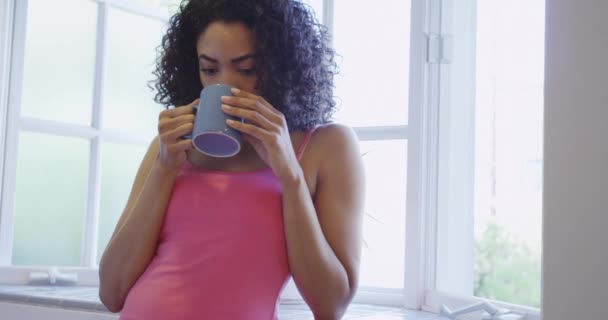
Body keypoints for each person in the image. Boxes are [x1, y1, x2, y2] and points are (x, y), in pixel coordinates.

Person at [98, 0, 365, 319]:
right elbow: (111, 292)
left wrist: (288, 173)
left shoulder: (326, 146)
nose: (226, 85)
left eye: (247, 68)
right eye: (209, 69)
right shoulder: (169, 149)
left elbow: (331, 304)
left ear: (282, 67)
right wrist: (164, 168)